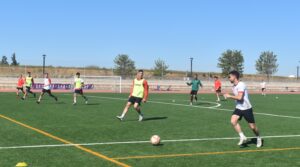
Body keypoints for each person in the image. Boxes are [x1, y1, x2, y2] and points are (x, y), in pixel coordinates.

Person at [224, 71, 262, 148]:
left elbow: (240, 97)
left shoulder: (241, 85)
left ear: (234, 77)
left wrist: (229, 96)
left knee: (252, 127)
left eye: (229, 77)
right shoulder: (234, 86)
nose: (229, 78)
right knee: (233, 121)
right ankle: (242, 136)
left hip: (246, 108)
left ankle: (258, 137)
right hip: (239, 107)